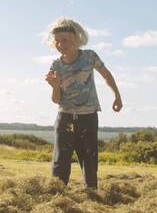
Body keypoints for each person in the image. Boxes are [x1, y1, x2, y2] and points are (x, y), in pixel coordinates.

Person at [45, 17, 122, 189]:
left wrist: (117, 95)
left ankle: (91, 194)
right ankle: (56, 194)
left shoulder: (89, 56)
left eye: (65, 40)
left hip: (88, 117)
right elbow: (56, 100)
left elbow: (106, 75)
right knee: (61, 160)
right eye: (57, 41)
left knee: (89, 158)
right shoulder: (56, 65)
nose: (60, 44)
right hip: (65, 117)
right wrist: (55, 86)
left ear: (77, 39)